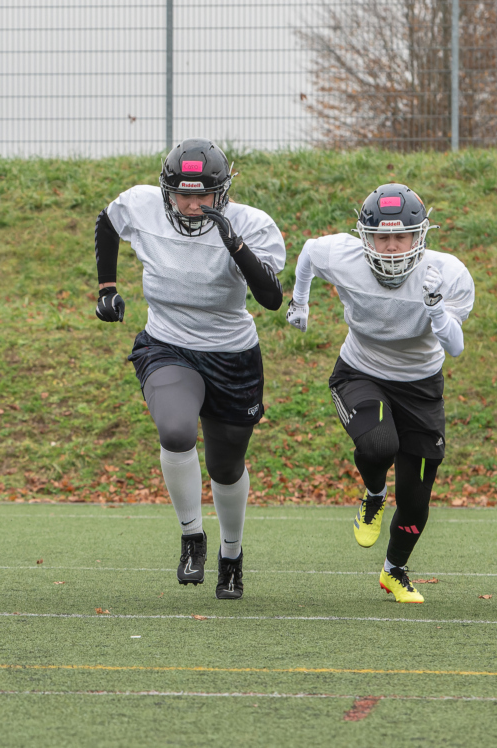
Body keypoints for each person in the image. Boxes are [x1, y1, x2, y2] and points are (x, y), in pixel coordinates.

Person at [94, 139, 285, 599]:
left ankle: (232, 555)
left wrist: (233, 243)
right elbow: (107, 221)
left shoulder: (250, 224)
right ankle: (192, 536)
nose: (193, 204)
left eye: (203, 196)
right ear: (166, 192)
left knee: (226, 466)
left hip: (232, 354)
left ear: (223, 193)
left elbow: (272, 298)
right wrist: (106, 286)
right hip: (168, 344)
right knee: (176, 430)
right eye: (183, 195)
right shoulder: (142, 205)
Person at [287, 184, 474, 604]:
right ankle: (373, 495)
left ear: (419, 236)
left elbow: (456, 347)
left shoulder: (448, 272)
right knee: (378, 444)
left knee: (416, 498)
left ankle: (394, 571)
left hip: (422, 387)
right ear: (365, 237)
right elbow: (309, 253)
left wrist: (435, 307)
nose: (391, 247)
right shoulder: (344, 256)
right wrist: (300, 303)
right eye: (382, 237)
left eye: (401, 237)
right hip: (360, 371)